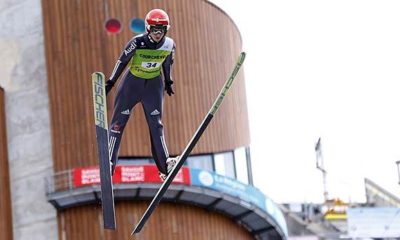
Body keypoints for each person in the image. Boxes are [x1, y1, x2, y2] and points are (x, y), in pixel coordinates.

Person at [105, 9, 177, 181]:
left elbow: (167, 64)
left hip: (153, 85)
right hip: (132, 84)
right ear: (147, 28)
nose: (158, 34)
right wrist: (111, 81)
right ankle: (109, 162)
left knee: (156, 125)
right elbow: (122, 61)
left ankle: (164, 165)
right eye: (154, 29)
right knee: (117, 124)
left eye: (161, 30)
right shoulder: (137, 42)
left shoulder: (169, 45)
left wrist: (168, 81)